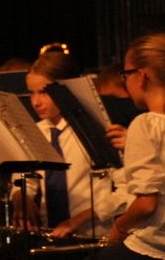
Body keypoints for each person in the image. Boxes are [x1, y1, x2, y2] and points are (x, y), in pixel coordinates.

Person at [96, 32, 165, 260]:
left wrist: (119, 227)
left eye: (125, 74)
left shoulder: (145, 124)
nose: (125, 81)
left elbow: (147, 205)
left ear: (141, 76)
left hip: (154, 246)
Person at [11, 51, 120, 239]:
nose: (36, 102)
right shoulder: (34, 131)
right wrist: (21, 198)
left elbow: (123, 189)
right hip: (51, 233)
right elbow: (24, 179)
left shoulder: (94, 129)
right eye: (31, 93)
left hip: (92, 233)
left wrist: (78, 219)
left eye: (44, 92)